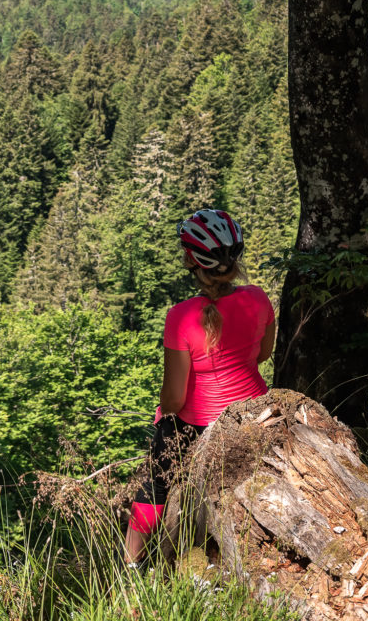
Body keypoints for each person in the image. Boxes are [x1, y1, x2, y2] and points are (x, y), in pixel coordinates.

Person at [124, 208, 276, 564]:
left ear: (192, 260)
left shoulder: (181, 317)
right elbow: (264, 354)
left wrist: (163, 413)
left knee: (153, 486)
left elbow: (175, 399)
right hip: (254, 414)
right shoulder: (258, 298)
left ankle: (130, 568)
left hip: (198, 424)